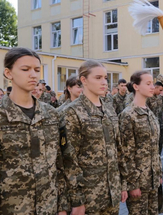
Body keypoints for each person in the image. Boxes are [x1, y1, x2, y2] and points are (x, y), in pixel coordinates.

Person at [0, 47, 68, 215]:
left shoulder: (51, 114)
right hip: (10, 209)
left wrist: (62, 206)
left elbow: (59, 163)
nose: (33, 75)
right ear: (8, 73)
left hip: (49, 207)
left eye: (37, 70)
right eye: (25, 69)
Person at [61, 60, 128, 215]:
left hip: (112, 192)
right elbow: (68, 160)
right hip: (89, 196)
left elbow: (119, 149)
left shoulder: (109, 110)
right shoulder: (72, 112)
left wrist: (123, 183)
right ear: (83, 80)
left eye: (105, 78)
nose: (104, 82)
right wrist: (76, 199)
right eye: (98, 78)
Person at [119, 71, 163, 215]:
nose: (152, 87)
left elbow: (154, 148)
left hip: (153, 180)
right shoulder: (128, 115)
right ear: (136, 86)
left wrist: (158, 175)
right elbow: (126, 154)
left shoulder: (149, 113)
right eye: (148, 83)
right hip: (139, 183)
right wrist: (132, 184)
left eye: (153, 83)